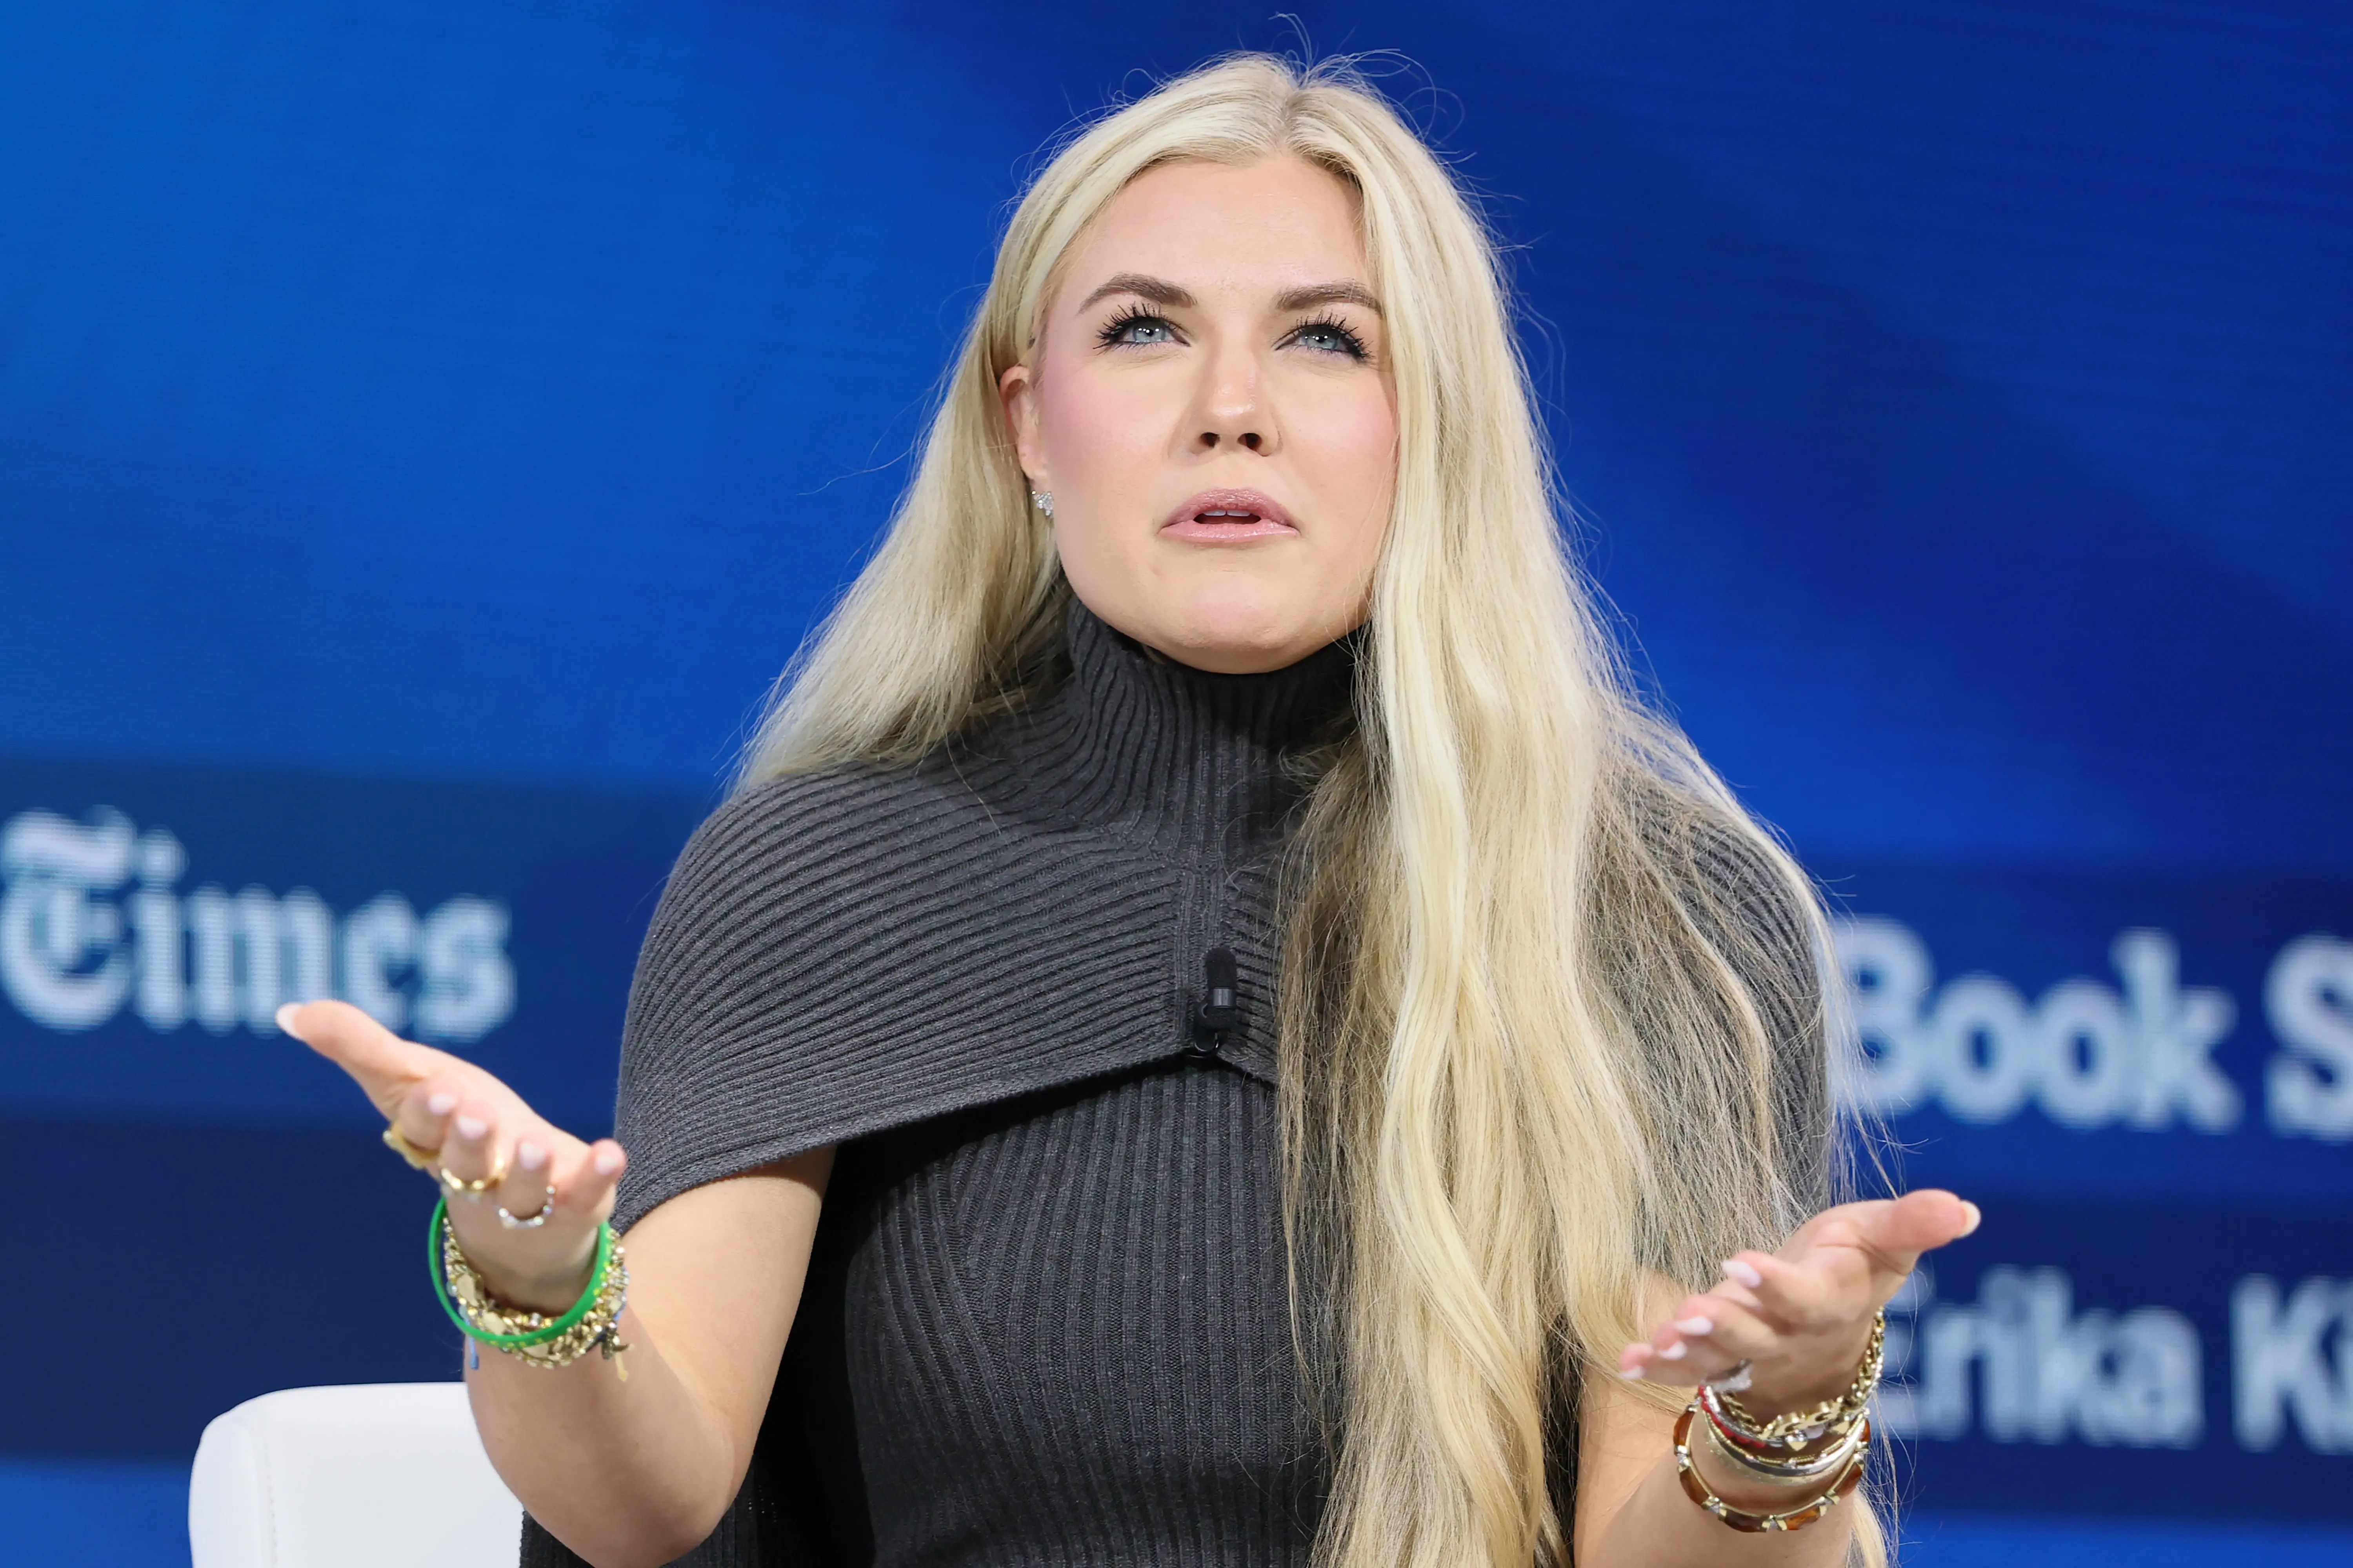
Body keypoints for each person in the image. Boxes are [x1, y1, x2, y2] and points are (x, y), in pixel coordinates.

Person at [285, 52, 1978, 1568]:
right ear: (1029, 421)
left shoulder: (1649, 912)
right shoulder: (823, 876)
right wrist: (533, 1280)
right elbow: (637, 1507)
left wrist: (1780, 1413)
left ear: (1432, 423)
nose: (1227, 406)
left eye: (1326, 339)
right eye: (1144, 329)